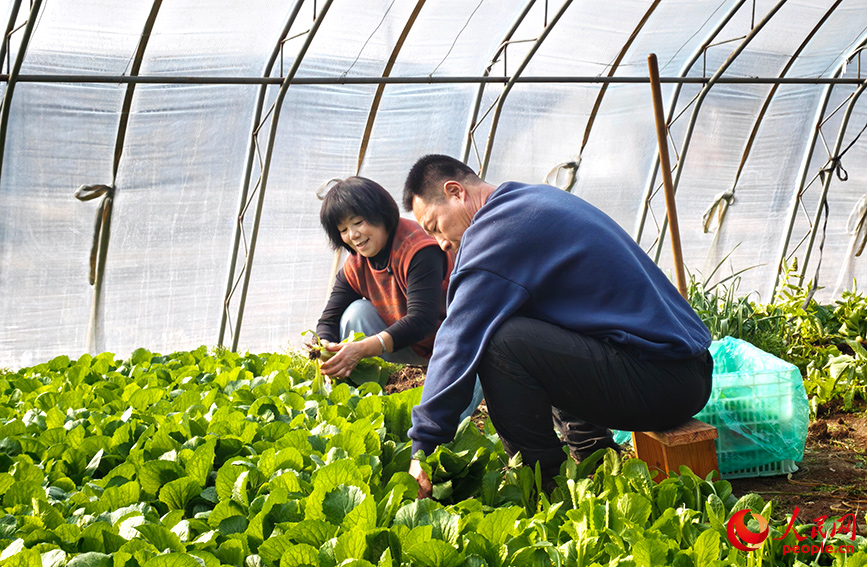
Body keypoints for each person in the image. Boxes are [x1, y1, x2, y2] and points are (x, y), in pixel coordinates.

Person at [401, 155, 713, 498]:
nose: (441, 242)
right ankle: (593, 454)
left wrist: (424, 446)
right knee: (529, 322)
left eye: (434, 226)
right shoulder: (528, 201)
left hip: (663, 383)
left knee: (500, 343)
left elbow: (457, 340)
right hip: (684, 372)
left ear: (456, 192)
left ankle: (544, 487)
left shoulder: (498, 230)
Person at [315, 176, 484, 420]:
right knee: (354, 314)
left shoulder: (419, 249)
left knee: (441, 425)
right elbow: (328, 319)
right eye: (343, 230)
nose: (353, 235)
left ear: (380, 214)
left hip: (461, 343)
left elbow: (421, 321)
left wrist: (360, 349)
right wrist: (326, 350)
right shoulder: (356, 265)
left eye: (358, 222)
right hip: (413, 343)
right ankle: (361, 411)